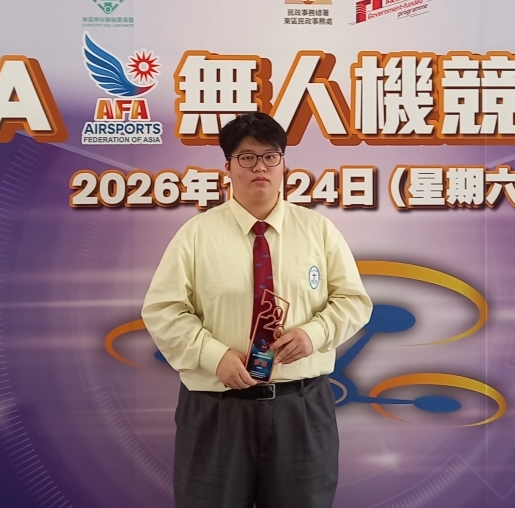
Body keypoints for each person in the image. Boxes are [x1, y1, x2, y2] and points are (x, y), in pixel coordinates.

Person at [142, 112, 372, 508]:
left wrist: (314, 334)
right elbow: (164, 310)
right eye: (247, 158)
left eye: (270, 156)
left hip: (300, 407)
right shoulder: (196, 235)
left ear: (284, 164)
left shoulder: (318, 231)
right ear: (228, 168)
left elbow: (354, 301)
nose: (260, 167)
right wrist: (213, 356)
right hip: (217, 408)